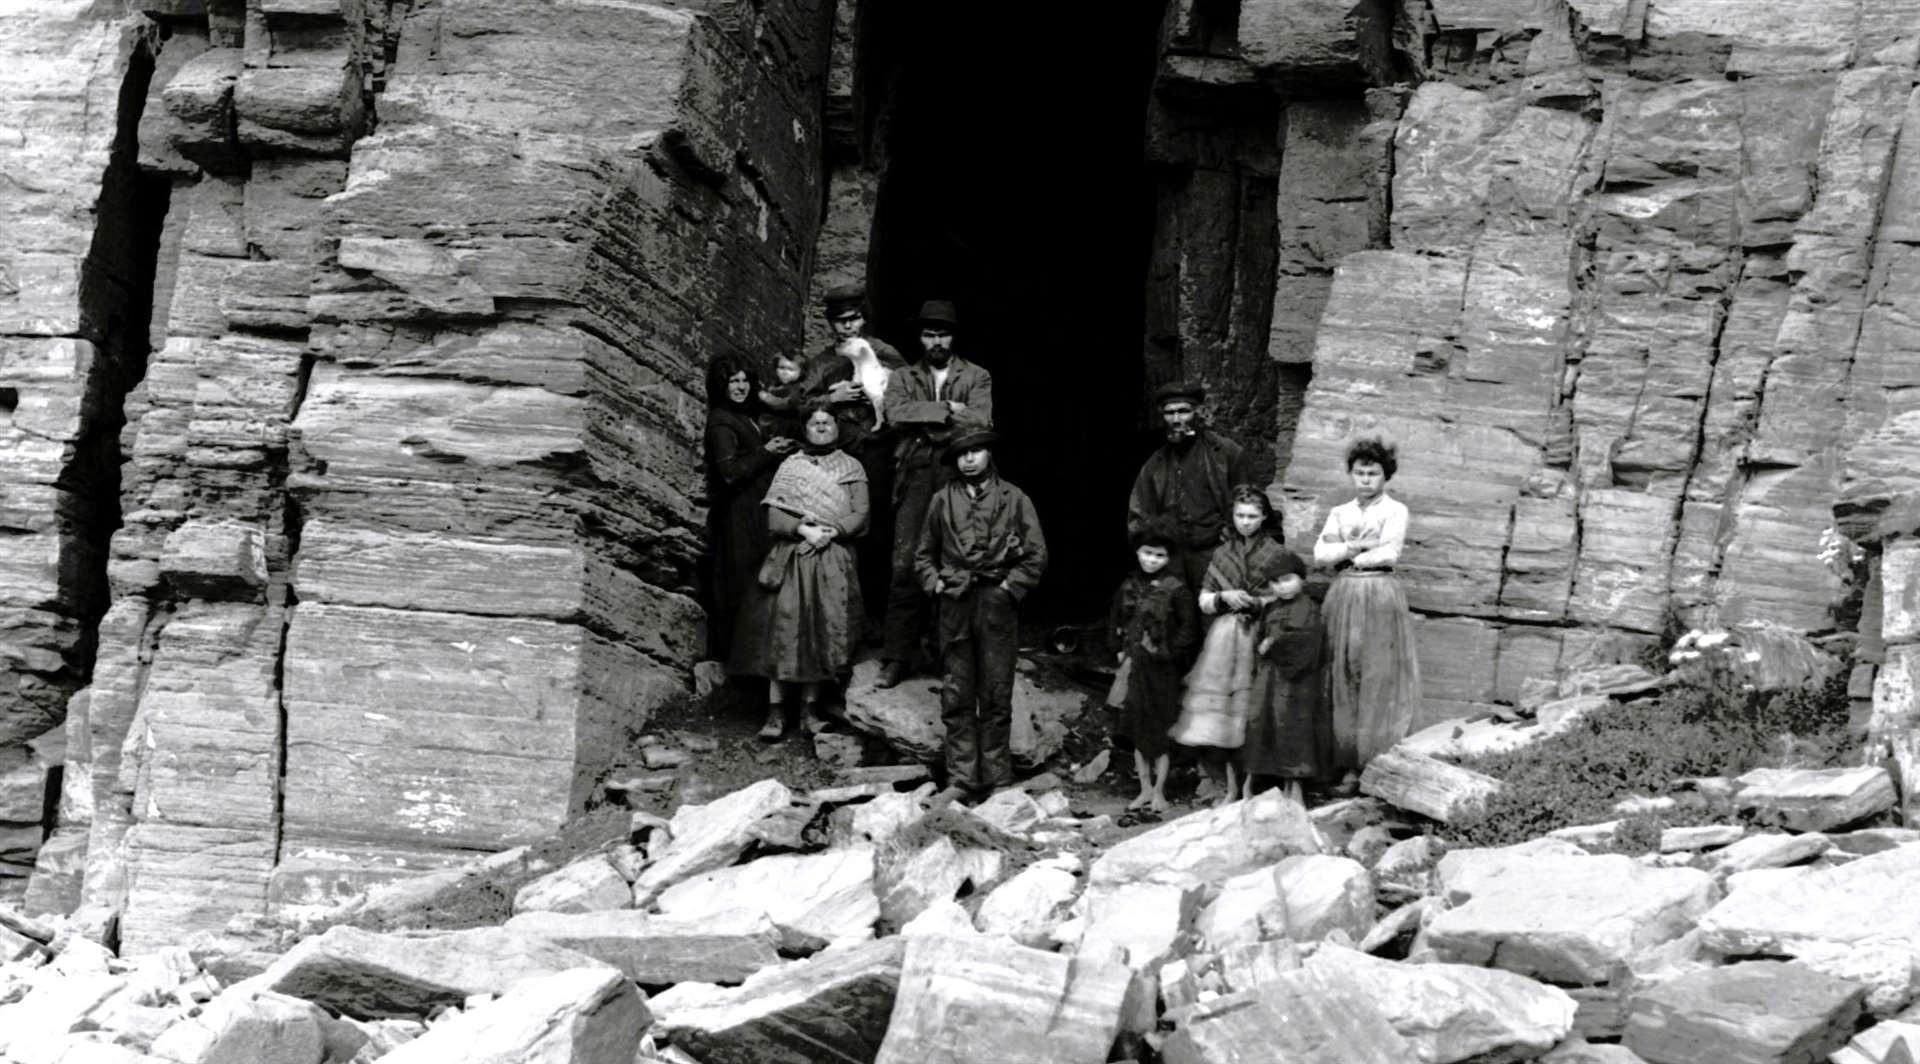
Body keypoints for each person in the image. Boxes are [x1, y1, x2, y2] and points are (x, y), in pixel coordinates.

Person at [914, 426, 1046, 803]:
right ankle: (961, 779)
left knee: (996, 690)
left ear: (990, 454)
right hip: (955, 603)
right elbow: (923, 554)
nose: (969, 459)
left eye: (976, 451)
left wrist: (1009, 587)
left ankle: (997, 778)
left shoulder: (1014, 498)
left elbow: (1036, 555)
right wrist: (936, 583)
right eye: (961, 453)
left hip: (996, 603)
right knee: (957, 691)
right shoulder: (942, 500)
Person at [729, 404, 869, 741]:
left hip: (832, 558)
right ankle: (775, 712)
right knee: (784, 631)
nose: (821, 428)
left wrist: (832, 532)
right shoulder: (791, 466)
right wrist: (805, 531)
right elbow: (775, 518)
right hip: (791, 558)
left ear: (838, 427)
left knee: (822, 629)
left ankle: (810, 711)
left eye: (827, 422)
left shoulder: (852, 467)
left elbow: (861, 514)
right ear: (804, 429)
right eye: (814, 423)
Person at [879, 299, 994, 688]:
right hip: (914, 473)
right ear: (920, 338)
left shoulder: (977, 376)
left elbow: (981, 419)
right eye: (929, 334)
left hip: (957, 475)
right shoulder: (902, 377)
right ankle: (898, 655)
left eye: (943, 333)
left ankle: (950, 656)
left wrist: (924, 415)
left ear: (954, 336)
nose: (936, 341)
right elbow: (895, 415)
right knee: (906, 562)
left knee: (956, 559)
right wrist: (946, 408)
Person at [1171, 486, 1290, 807]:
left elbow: (1287, 598)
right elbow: (1204, 600)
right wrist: (1224, 597)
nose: (1245, 522)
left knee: (1254, 712)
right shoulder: (1223, 554)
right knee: (1224, 716)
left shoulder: (1276, 554)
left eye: (1252, 516)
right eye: (1240, 516)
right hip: (1226, 640)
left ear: (1264, 517)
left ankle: (1254, 786)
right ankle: (1231, 787)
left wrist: (1258, 602)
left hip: (1262, 637)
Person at [1313, 437, 1420, 789]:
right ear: (1351, 475)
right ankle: (1344, 762)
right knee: (1341, 670)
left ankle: (1373, 761)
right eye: (1359, 473)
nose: (1365, 480)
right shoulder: (1340, 513)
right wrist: (1358, 546)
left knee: (1376, 673)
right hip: (1344, 593)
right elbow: (1320, 555)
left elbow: (1388, 554)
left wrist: (1346, 552)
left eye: (1373, 473)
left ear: (1385, 476)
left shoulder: (1395, 510)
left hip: (1378, 593)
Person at [1127, 381, 1264, 595]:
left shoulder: (1226, 453)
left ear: (1198, 412)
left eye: (1183, 411)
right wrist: (1152, 547)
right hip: (1172, 558)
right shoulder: (1156, 463)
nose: (1176, 420)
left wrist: (1233, 542)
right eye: (1169, 413)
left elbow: (1250, 501)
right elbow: (1139, 511)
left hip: (1213, 552)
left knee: (1213, 615)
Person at [703, 355, 795, 662]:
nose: (740, 387)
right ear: (722, 386)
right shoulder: (721, 420)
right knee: (739, 583)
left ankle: (753, 661)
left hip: (753, 510)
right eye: (733, 382)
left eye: (744, 381)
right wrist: (767, 452)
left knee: (756, 581)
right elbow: (729, 472)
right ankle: (736, 664)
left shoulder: (743, 416)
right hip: (736, 513)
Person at [1107, 516, 1199, 814]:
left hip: (1162, 670)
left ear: (1169, 558)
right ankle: (1144, 788)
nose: (1152, 560)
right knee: (1136, 725)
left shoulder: (1177, 590)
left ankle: (1160, 790)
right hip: (1135, 667)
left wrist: (1169, 653)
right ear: (1138, 552)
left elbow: (1189, 629)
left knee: (1159, 728)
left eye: (1160, 555)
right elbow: (1116, 620)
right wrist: (1119, 650)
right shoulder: (1129, 585)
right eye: (1147, 553)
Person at [1241, 551, 1326, 803]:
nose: (1282, 586)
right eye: (1275, 582)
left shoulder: (1307, 608)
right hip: (1269, 677)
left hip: (1295, 680)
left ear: (1301, 579)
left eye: (1287, 579)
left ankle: (1295, 786)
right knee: (1261, 722)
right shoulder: (1273, 607)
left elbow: (1306, 641)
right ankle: (1260, 783)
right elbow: (1261, 636)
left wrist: (1273, 642)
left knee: (1292, 726)